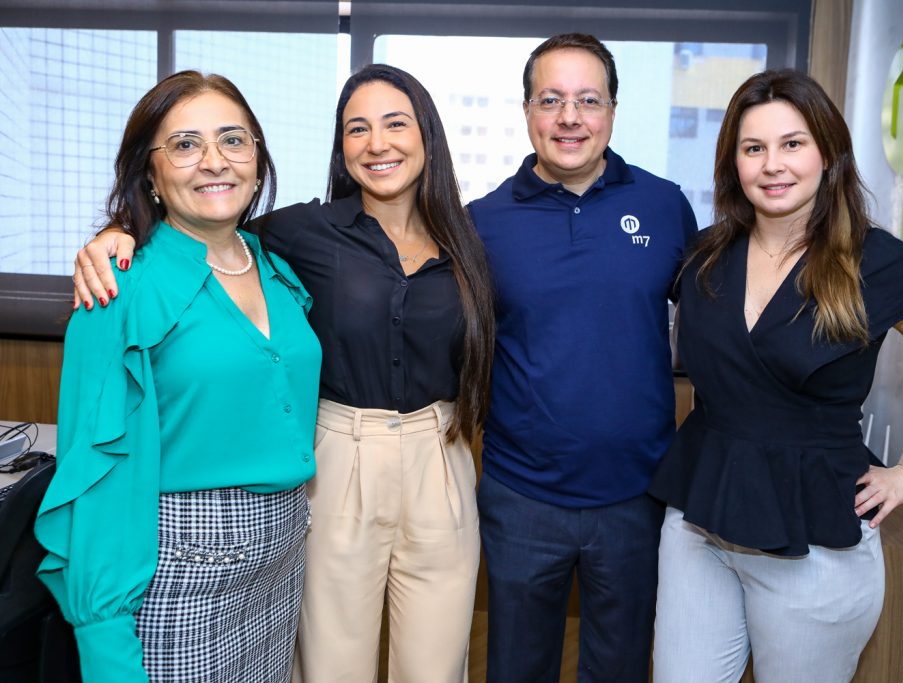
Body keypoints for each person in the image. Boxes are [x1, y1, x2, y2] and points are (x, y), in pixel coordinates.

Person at [69, 64, 494, 683]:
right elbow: (195, 228)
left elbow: (219, 235)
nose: (378, 143)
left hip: (436, 456)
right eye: (357, 128)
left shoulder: (469, 241)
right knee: (329, 665)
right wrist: (117, 230)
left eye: (396, 123)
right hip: (333, 459)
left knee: (436, 664)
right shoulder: (300, 232)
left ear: (428, 134)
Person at [647, 69, 903, 683]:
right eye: (754, 148)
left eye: (792, 143)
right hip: (698, 521)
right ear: (734, 163)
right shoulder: (703, 256)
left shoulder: (874, 259)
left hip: (815, 539)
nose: (772, 164)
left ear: (827, 154)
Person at [34, 71, 322, 683]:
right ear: (150, 173)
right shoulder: (118, 289)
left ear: (257, 157)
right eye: (186, 144)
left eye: (233, 140)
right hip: (178, 570)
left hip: (283, 557)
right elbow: (96, 477)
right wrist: (105, 641)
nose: (214, 161)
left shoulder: (275, 266)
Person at [467, 34, 698, 682]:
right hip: (519, 496)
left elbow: (724, 325)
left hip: (637, 494)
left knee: (620, 667)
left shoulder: (664, 206)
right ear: (527, 110)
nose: (570, 117)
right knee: (516, 665)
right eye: (552, 99)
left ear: (613, 111)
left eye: (588, 100)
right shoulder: (482, 221)